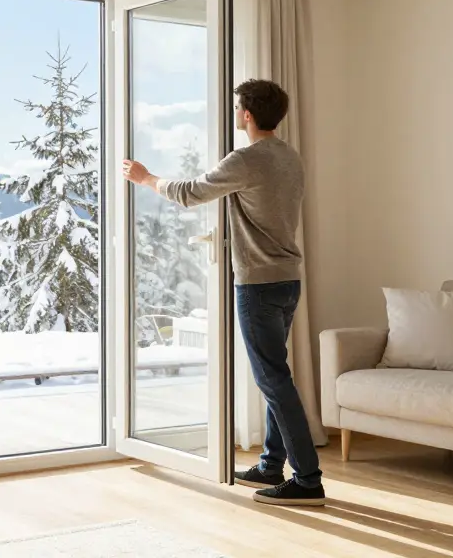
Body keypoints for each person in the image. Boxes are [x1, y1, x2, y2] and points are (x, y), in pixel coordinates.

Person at [121, 79, 324, 507]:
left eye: (237, 107)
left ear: (247, 114)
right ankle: (272, 464)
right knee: (276, 374)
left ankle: (307, 480)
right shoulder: (290, 157)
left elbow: (191, 193)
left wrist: (146, 178)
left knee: (273, 380)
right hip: (288, 280)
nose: (235, 112)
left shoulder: (247, 159)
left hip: (259, 283)